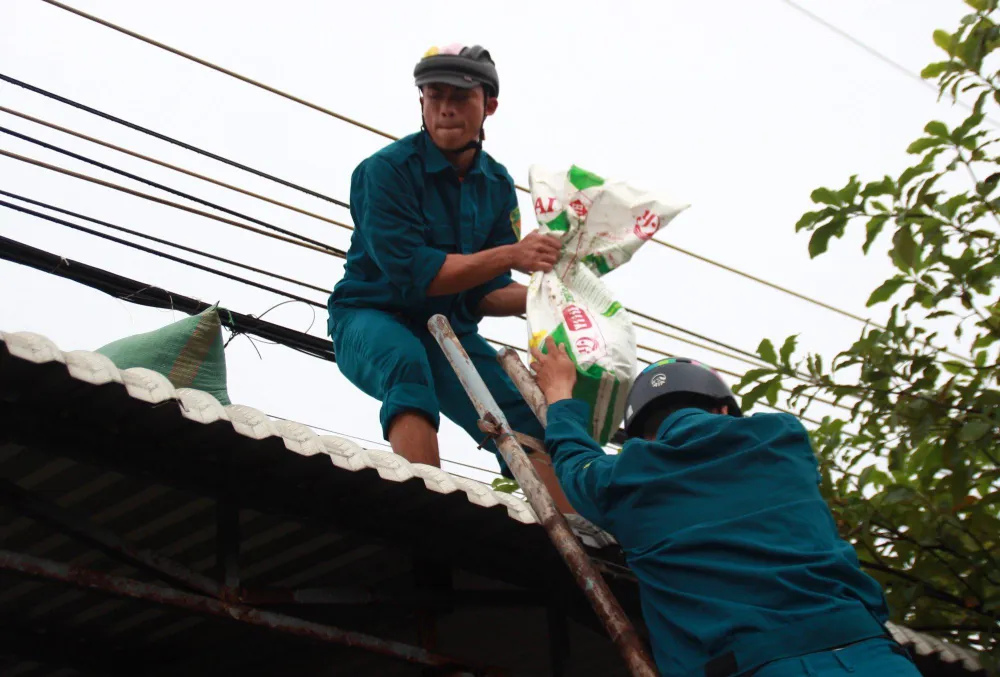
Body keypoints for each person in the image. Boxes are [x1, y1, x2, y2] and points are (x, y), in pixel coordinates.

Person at [529, 339, 922, 677]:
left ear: (644, 436)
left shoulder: (622, 480)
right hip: (876, 657)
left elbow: (574, 461)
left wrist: (560, 393)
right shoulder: (785, 439)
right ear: (721, 409)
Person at [328, 44, 575, 512]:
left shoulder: (497, 185)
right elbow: (415, 276)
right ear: (420, 100)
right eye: (433, 94)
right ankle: (428, 511)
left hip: (451, 332)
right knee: (406, 363)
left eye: (460, 97)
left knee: (520, 411)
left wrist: (553, 297)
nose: (445, 107)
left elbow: (486, 294)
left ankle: (582, 534)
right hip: (371, 315)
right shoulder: (385, 172)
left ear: (489, 106)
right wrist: (513, 253)